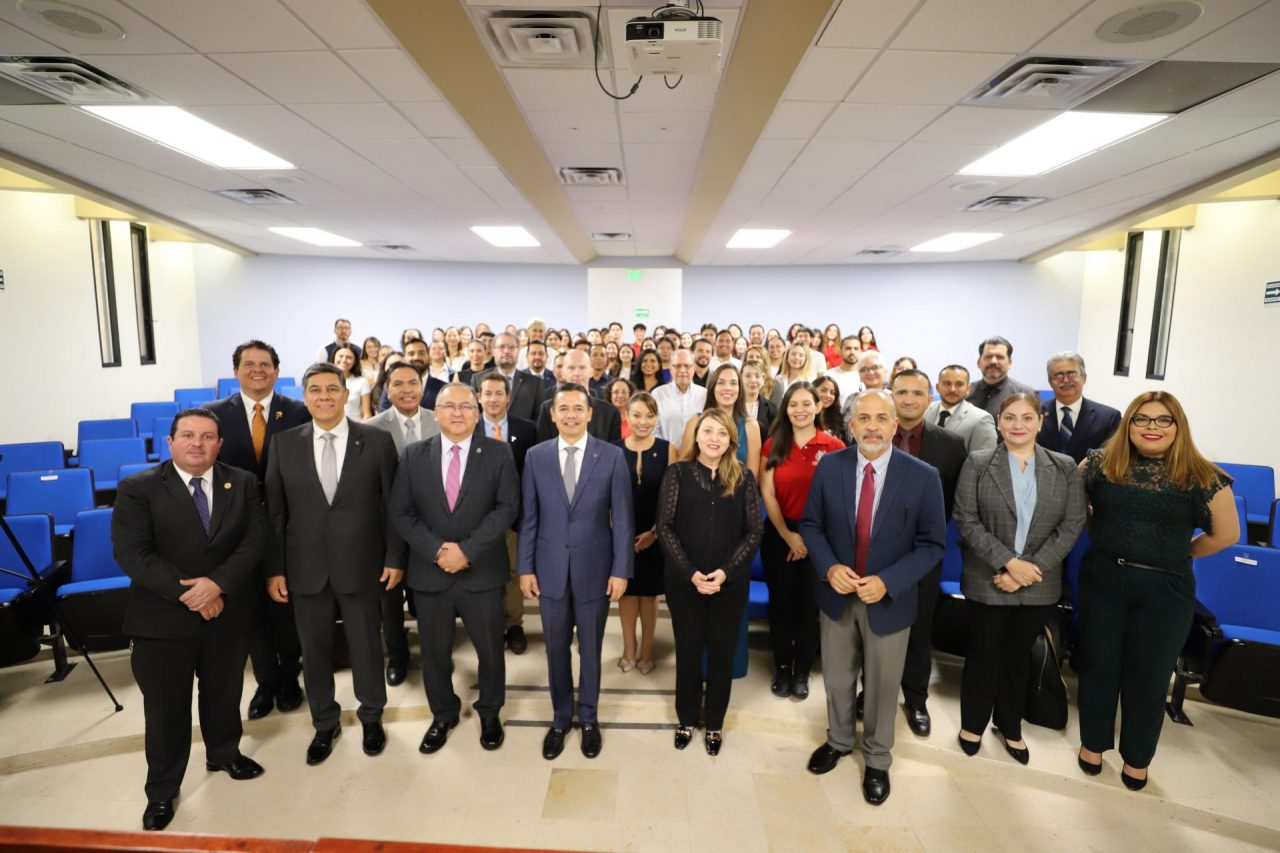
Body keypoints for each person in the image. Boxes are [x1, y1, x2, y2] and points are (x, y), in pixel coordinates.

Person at [112, 409, 269, 831]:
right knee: (166, 709)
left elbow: (254, 540)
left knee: (224, 693)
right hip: (162, 619)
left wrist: (217, 585)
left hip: (227, 612)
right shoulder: (138, 488)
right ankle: (163, 789)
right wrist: (193, 595)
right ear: (170, 442)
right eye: (187, 435)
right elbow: (132, 553)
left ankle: (224, 753)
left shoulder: (243, 482)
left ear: (220, 444)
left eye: (207, 436)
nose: (197, 443)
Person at [1076, 391, 1238, 790]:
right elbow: (1079, 514)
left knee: (1149, 677)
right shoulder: (1098, 463)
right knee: (1097, 666)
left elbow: (1226, 535)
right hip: (1103, 578)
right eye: (1142, 419)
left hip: (1165, 589)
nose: (1152, 427)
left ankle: (1137, 759)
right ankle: (1092, 745)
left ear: (1178, 426)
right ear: (1128, 424)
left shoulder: (1203, 475)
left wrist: (1179, 553)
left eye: (1163, 420)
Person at [799, 390, 946, 806]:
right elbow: (811, 526)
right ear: (851, 425)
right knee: (837, 678)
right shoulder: (830, 467)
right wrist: (829, 568)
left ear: (895, 425)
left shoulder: (923, 476)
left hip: (889, 600)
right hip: (838, 596)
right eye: (863, 418)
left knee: (882, 685)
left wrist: (889, 581)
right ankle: (839, 739)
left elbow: (932, 545)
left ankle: (878, 758)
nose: (872, 427)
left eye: (882, 418)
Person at [265, 363, 407, 766]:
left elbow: (392, 506)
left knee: (366, 647)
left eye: (332, 388)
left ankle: (372, 716)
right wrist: (274, 569)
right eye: (315, 389)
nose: (324, 396)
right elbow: (275, 513)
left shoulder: (376, 441)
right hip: (304, 568)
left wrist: (395, 557)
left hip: (363, 565)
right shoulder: (284, 444)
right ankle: (324, 723)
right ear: (305, 397)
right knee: (314, 652)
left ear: (346, 394)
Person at [954, 392, 1086, 763]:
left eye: (1027, 417)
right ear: (998, 422)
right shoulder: (978, 462)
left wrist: (1029, 570)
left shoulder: (1064, 467)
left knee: (1018, 657)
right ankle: (972, 724)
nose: (1018, 425)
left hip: (1038, 583)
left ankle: (1010, 725)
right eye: (1010, 417)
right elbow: (966, 518)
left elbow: (1072, 523)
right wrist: (1009, 563)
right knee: (982, 655)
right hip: (988, 577)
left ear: (1040, 423)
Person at [389, 384, 519, 754]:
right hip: (430, 573)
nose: (458, 413)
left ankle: (490, 712)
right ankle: (443, 714)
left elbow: (507, 508)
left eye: (466, 406)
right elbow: (401, 511)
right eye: (449, 406)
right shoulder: (414, 455)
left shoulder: (498, 453)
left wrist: (468, 551)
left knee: (490, 650)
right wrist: (436, 550)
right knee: (434, 652)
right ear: (437, 413)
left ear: (477, 414)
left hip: (481, 571)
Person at [518, 383, 634, 760]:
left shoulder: (612, 456)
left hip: (595, 571)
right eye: (563, 408)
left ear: (590, 414)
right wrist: (525, 568)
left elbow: (623, 520)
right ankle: (560, 719)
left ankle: (589, 719)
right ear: (552, 414)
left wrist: (621, 570)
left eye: (577, 408)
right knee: (555, 649)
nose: (570, 415)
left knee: (591, 648)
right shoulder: (536, 456)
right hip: (548, 570)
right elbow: (529, 518)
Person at [206, 340, 310, 720]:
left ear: (277, 371)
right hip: (237, 531)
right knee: (250, 612)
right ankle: (266, 682)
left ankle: (290, 677)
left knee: (285, 609)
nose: (257, 370)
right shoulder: (215, 415)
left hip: (289, 528)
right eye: (249, 364)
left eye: (265, 364)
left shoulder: (298, 412)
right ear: (236, 371)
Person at [658, 409, 762, 754]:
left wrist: (725, 572)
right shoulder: (677, 473)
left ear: (731, 439)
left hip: (728, 584)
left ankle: (715, 723)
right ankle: (686, 719)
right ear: (697, 436)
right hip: (684, 582)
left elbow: (753, 531)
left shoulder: (744, 477)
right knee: (688, 652)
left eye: (721, 432)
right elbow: (665, 527)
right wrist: (690, 572)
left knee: (722, 655)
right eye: (707, 431)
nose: (713, 438)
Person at [886, 369, 968, 736]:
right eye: (901, 392)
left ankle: (916, 698)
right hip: (874, 551)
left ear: (930, 397)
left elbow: (952, 502)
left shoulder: (951, 446)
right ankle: (873, 691)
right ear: (891, 394)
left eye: (917, 393)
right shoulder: (873, 433)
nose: (908, 399)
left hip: (923, 552)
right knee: (874, 627)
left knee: (919, 628)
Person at [760, 382, 843, 700]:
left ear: (818, 406)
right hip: (779, 533)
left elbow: (837, 498)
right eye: (793, 404)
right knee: (781, 605)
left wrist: (807, 539)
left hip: (819, 537)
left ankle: (802, 671)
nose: (800, 410)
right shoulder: (773, 444)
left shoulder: (833, 446)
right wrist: (788, 536)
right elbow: (767, 492)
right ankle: (782, 667)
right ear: (786, 408)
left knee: (809, 608)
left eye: (806, 403)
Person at [365, 361, 442, 683]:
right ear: (387, 389)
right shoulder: (371, 428)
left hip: (433, 527)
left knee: (430, 599)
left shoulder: (441, 420)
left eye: (413, 383)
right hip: (388, 530)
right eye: (398, 383)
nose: (406, 389)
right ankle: (397, 657)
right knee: (390, 601)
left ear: (422, 388)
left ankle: (436, 655)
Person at [477, 372, 539, 655]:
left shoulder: (526, 430)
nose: (493, 399)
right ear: (479, 397)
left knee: (514, 572)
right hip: (479, 520)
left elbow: (532, 474)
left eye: (498, 393)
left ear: (508, 397)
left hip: (516, 517)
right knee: (484, 574)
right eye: (487, 393)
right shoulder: (468, 427)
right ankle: (490, 626)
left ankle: (514, 624)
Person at [615, 391, 676, 674]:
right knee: (626, 593)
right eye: (637, 415)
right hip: (621, 534)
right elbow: (607, 498)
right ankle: (629, 649)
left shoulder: (668, 449)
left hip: (656, 532)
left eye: (649, 416)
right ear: (627, 416)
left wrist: (654, 532)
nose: (643, 421)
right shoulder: (614, 450)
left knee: (650, 596)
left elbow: (672, 497)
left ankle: (647, 652)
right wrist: (620, 533)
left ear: (657, 418)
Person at [1036, 352, 1122, 464]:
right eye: (1058, 375)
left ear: (1084, 378)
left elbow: (1112, 459)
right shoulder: (1035, 413)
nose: (1066, 380)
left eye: (1072, 373)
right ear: (1050, 382)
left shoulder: (1109, 418)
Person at [680, 364, 761, 480]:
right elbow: (682, 469)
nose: (727, 388)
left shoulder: (750, 426)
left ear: (740, 389)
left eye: (733, 383)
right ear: (713, 387)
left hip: (736, 489)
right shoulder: (695, 422)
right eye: (721, 382)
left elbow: (752, 478)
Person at [535, 349, 623, 442]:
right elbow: (543, 447)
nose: (577, 373)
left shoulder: (610, 413)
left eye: (582, 368)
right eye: (571, 368)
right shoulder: (547, 408)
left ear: (591, 371)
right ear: (562, 373)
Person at [472, 332, 545, 422]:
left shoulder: (535, 383)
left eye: (511, 347)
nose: (506, 351)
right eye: (501, 347)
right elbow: (474, 415)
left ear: (518, 351)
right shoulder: (478, 379)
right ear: (493, 351)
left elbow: (539, 419)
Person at [924, 365, 998, 452]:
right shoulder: (925, 410)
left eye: (959, 384)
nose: (952, 389)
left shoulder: (981, 419)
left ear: (968, 388)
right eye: (947, 384)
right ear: (937, 388)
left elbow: (985, 458)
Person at [966, 336, 1038, 418]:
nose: (993, 361)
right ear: (978, 362)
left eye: (1000, 357)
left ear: (1010, 363)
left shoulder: (1026, 394)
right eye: (988, 356)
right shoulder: (965, 392)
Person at [653, 348, 707, 443]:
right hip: (665, 451)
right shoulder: (658, 393)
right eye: (677, 366)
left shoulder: (705, 394)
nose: (682, 370)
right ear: (670, 368)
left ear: (694, 368)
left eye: (687, 366)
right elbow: (654, 429)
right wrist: (667, 449)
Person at [331, 343, 372, 420]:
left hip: (355, 425)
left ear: (355, 361)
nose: (344, 360)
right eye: (340, 356)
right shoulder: (325, 381)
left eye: (349, 357)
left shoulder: (362, 381)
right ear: (334, 358)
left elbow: (367, 414)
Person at [825, 336, 864, 407]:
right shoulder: (829, 375)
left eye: (856, 349)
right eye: (848, 348)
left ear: (860, 351)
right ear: (840, 351)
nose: (852, 352)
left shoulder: (867, 375)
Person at [811, 375, 849, 446]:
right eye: (823, 390)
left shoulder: (839, 420)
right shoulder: (805, 417)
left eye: (832, 393)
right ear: (812, 391)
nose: (828, 395)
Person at [741, 361, 776, 436]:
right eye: (748, 376)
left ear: (763, 379)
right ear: (740, 378)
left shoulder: (772, 409)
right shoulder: (731, 404)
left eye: (757, 376)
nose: (753, 380)